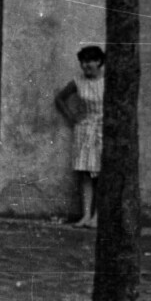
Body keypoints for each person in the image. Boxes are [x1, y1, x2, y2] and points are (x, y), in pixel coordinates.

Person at [56, 45, 105, 227]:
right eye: (83, 62)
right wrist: (72, 117)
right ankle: (85, 215)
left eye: (90, 61)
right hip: (84, 130)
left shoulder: (108, 82)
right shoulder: (78, 82)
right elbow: (59, 99)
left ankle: (97, 217)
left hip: (102, 131)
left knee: (100, 174)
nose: (86, 65)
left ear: (99, 62)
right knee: (85, 174)